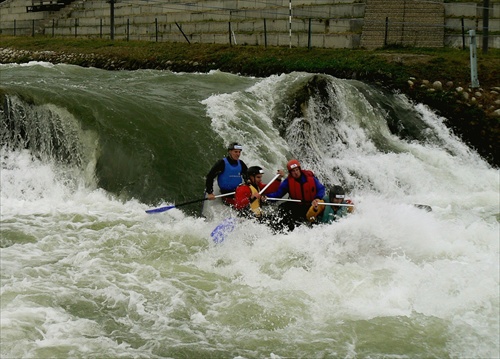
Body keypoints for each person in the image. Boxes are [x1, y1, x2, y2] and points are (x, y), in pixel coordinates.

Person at [266, 159, 326, 231]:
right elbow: (278, 194)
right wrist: (267, 197)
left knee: (317, 213)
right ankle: (277, 228)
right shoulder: (288, 182)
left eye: (297, 170)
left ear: (300, 169)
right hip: (298, 206)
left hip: (311, 205)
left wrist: (317, 198)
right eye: (293, 171)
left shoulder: (310, 178)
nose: (296, 173)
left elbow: (321, 189)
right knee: (283, 208)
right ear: (290, 173)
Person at [205, 142, 248, 206]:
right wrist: (210, 192)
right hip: (226, 195)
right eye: (235, 152)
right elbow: (210, 177)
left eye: (239, 152)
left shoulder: (241, 163)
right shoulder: (222, 163)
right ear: (230, 152)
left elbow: (248, 177)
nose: (238, 154)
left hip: (238, 193)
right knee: (242, 207)